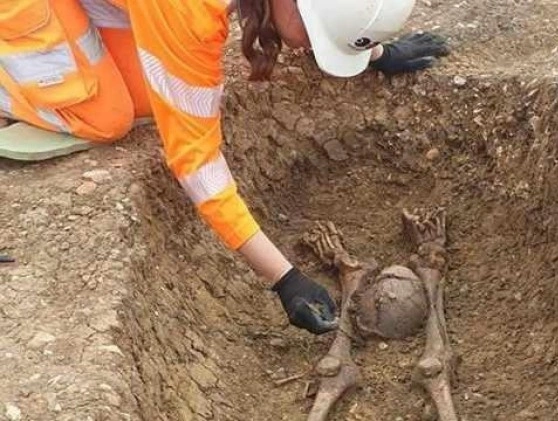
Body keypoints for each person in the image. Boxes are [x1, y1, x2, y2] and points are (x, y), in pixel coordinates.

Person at [0, 0, 448, 335]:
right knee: (105, 116)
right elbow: (196, 163)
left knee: (143, 97)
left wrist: (370, 50)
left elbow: (309, 13)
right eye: (316, 36)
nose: (311, 47)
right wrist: (284, 278)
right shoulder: (189, 10)